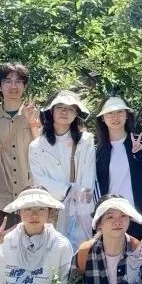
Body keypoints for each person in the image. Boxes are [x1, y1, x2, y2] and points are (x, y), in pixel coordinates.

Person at [95, 96, 142, 284]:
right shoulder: (98, 149)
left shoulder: (141, 140)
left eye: (120, 112)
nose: (115, 117)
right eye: (110, 113)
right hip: (111, 217)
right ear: (103, 118)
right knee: (112, 263)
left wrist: (140, 153)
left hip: (139, 216)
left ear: (127, 115)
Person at [0, 62, 42, 228]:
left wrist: (34, 123)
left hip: (30, 195)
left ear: (25, 86)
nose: (13, 86)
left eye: (18, 81)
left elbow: (45, 153)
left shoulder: (37, 116)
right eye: (7, 81)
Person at [29, 90, 96, 244]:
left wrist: (82, 192)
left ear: (76, 113)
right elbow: (39, 179)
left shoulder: (85, 141)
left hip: (79, 209)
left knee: (79, 250)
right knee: (51, 249)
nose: (65, 112)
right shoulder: (37, 145)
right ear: (51, 111)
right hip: (51, 209)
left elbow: (88, 173)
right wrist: (67, 190)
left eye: (70, 109)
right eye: (60, 107)